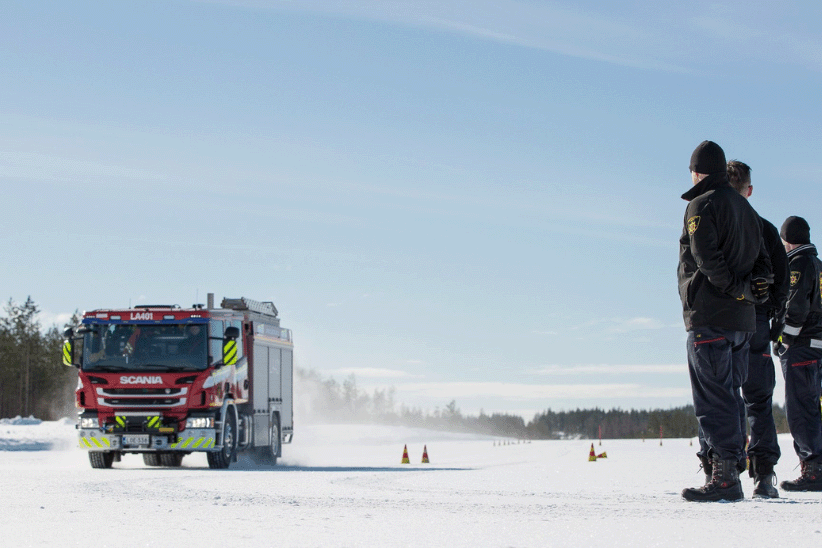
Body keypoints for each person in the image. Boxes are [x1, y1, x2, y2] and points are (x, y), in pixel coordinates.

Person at [678, 141, 772, 502]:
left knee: (713, 397)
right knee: (730, 394)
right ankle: (727, 468)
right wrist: (754, 291)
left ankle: (725, 476)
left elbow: (705, 257)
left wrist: (736, 289)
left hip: (712, 317)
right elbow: (764, 261)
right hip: (742, 323)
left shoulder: (700, 205)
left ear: (697, 171)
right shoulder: (747, 209)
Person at [726, 160, 788, 498]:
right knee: (759, 399)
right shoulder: (764, 228)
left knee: (725, 393)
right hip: (758, 322)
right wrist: (773, 314)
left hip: (727, 320)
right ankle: (764, 474)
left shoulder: (714, 221)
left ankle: (724, 466)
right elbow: (781, 279)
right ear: (749, 190)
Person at [774, 216, 822, 491]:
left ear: (788, 241)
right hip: (817, 345)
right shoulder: (818, 264)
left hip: (802, 346)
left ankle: (813, 469)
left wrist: (785, 340)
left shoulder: (799, 265)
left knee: (801, 409)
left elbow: (798, 305)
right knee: (814, 407)